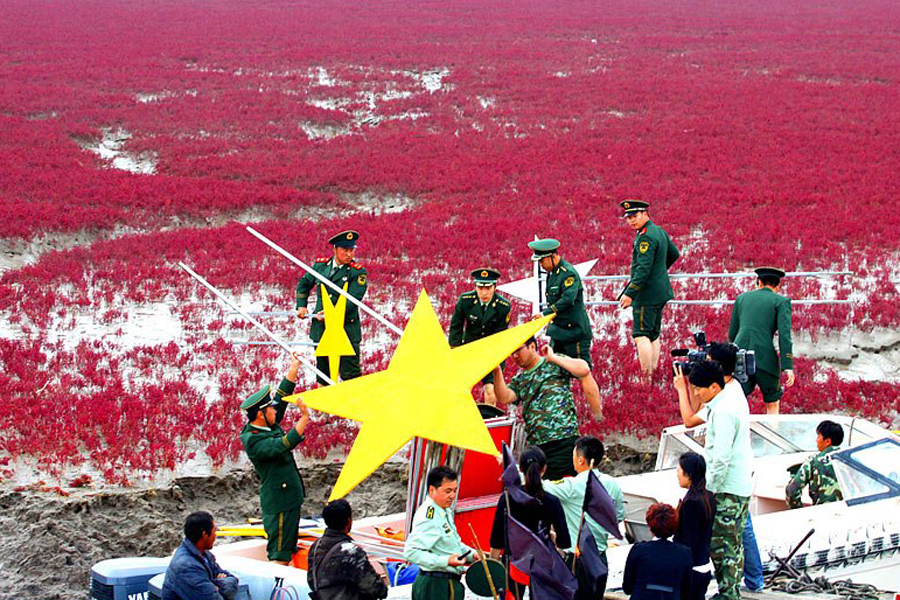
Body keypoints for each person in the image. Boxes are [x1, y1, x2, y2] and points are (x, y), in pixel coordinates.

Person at [675, 342, 764, 592]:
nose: (698, 395)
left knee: (723, 545)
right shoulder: (727, 396)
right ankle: (733, 590)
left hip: (727, 487)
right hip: (736, 483)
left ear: (714, 386)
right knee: (733, 542)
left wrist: (708, 493)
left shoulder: (724, 411)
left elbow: (721, 457)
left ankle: (728, 593)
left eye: (699, 391)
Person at [493, 338, 601, 478]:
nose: (515, 356)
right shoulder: (520, 380)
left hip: (564, 439)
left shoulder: (553, 363)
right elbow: (504, 397)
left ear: (532, 346)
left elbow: (584, 369)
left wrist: (553, 357)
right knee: (543, 492)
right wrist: (497, 372)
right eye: (511, 353)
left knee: (570, 487)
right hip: (538, 447)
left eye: (518, 351)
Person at [239, 354, 311, 564]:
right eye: (269, 409)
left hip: (290, 497)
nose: (274, 410)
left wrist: (294, 368)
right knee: (279, 554)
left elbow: (281, 397)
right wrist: (304, 418)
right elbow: (283, 444)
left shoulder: (266, 423)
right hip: (279, 501)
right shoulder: (253, 440)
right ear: (261, 414)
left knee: (288, 548)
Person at [527, 238, 602, 418]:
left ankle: (598, 415)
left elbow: (567, 300)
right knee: (556, 371)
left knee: (584, 372)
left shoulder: (568, 274)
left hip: (575, 332)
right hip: (558, 332)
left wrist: (546, 313)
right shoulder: (552, 273)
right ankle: (561, 410)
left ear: (553, 256)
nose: (542, 265)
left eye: (543, 260)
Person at [543, 436, 625, 600]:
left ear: (581, 460)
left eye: (573, 456)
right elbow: (619, 516)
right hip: (600, 558)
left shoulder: (573, 487)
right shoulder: (612, 484)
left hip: (577, 560)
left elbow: (539, 486)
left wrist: (515, 469)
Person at [489, 446, 572, 599]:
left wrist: (492, 570)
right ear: (544, 469)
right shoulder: (552, 501)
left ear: (521, 468)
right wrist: (552, 537)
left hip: (513, 564)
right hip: (542, 564)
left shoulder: (507, 498)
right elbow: (565, 542)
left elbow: (497, 540)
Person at [618, 200, 680, 381]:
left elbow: (642, 269)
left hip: (647, 294)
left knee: (641, 335)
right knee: (653, 334)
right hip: (660, 292)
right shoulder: (658, 231)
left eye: (634, 216)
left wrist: (630, 293)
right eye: (628, 217)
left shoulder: (645, 236)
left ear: (645, 214)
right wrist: (659, 272)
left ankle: (646, 377)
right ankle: (652, 374)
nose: (631, 221)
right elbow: (674, 254)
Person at [296, 230, 368, 384]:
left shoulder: (357, 272)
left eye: (352, 250)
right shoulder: (320, 267)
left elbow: (353, 299)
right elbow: (303, 284)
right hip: (322, 328)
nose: (349, 254)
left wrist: (331, 313)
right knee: (324, 375)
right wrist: (302, 306)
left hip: (346, 330)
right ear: (335, 250)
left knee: (351, 377)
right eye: (345, 250)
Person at [728, 266, 794, 414]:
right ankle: (772, 434)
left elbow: (732, 333)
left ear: (758, 282)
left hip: (740, 355)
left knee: (736, 400)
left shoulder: (741, 298)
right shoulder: (781, 301)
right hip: (765, 359)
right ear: (778, 286)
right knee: (772, 401)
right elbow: (785, 336)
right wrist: (787, 365)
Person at [403, 466, 476, 600]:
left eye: (454, 491)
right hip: (434, 586)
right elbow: (411, 552)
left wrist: (473, 554)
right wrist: (445, 561)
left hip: (447, 584)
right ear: (432, 490)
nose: (452, 496)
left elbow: (453, 544)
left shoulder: (443, 510)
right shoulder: (428, 517)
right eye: (448, 491)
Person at [448, 268, 512, 406]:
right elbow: (456, 327)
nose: (484, 292)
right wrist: (455, 352)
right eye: (480, 287)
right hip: (469, 350)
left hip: (491, 354)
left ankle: (488, 421)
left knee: (491, 391)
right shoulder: (466, 301)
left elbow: (501, 337)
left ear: (495, 287)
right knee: (458, 389)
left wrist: (497, 365)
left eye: (488, 288)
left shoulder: (503, 306)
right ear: (475, 287)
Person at [307, 499, 389, 600]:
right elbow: (376, 589)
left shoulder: (315, 547)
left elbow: (311, 581)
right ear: (349, 521)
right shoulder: (351, 552)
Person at [162, 511, 238, 600]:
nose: (215, 535)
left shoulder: (205, 555)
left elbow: (232, 580)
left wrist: (216, 586)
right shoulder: (186, 566)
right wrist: (216, 585)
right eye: (214, 531)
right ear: (205, 535)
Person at [623, 503, 692, 600]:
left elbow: (627, 588)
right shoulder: (684, 554)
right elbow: (686, 592)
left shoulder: (638, 550)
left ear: (650, 525)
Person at [674, 453, 717, 600]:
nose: (677, 475)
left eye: (679, 471)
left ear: (689, 474)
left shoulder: (692, 502)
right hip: (703, 563)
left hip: (692, 569)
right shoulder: (709, 497)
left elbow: (688, 541)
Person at [786, 420, 844, 508]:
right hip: (847, 514)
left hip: (821, 514)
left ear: (827, 441)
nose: (816, 440)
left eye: (818, 437)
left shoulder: (813, 462)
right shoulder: (850, 461)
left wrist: (799, 510)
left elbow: (792, 490)